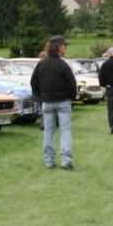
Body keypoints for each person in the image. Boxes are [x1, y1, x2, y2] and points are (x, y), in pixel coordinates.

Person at [31, 35, 77, 170]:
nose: (66, 47)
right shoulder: (63, 65)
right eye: (64, 45)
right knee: (65, 130)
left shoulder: (41, 64)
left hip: (47, 102)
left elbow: (34, 83)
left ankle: (49, 161)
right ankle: (66, 161)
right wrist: (71, 97)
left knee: (48, 131)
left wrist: (40, 98)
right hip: (63, 102)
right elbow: (72, 85)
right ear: (58, 47)